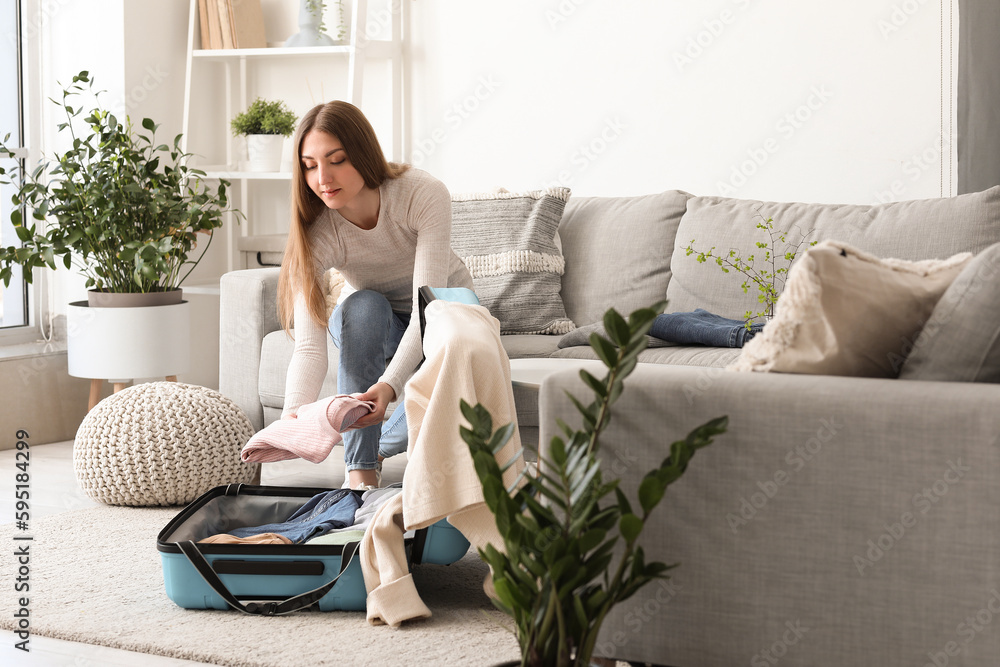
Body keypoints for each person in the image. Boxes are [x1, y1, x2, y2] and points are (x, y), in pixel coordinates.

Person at [277, 100, 474, 490]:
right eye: (310, 165)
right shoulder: (317, 234)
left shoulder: (421, 193)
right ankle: (360, 474)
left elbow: (426, 309)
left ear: (363, 154)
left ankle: (374, 448)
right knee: (363, 305)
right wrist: (292, 418)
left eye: (337, 160)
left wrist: (388, 387)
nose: (323, 178)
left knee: (458, 366)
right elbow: (309, 349)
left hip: (442, 314)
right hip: (378, 325)